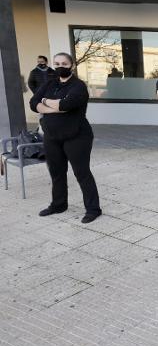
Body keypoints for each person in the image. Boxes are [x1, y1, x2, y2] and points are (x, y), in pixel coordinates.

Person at [29, 52, 102, 224]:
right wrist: (52, 106)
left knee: (82, 173)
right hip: (52, 136)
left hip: (76, 136)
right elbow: (33, 103)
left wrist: (46, 102)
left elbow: (66, 105)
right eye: (57, 63)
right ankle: (58, 205)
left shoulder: (78, 86)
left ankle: (93, 209)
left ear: (72, 66)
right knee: (56, 172)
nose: (60, 66)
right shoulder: (49, 83)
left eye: (64, 63)